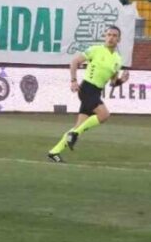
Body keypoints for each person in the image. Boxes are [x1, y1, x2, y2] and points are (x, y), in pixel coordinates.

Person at [47, 26, 129, 163]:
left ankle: (54, 151)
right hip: (87, 89)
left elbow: (113, 82)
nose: (111, 37)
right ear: (105, 36)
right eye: (109, 34)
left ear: (119, 39)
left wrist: (121, 81)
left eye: (114, 35)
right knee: (104, 115)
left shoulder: (117, 59)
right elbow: (74, 62)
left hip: (96, 91)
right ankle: (74, 134)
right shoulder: (95, 50)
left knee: (79, 125)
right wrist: (73, 81)